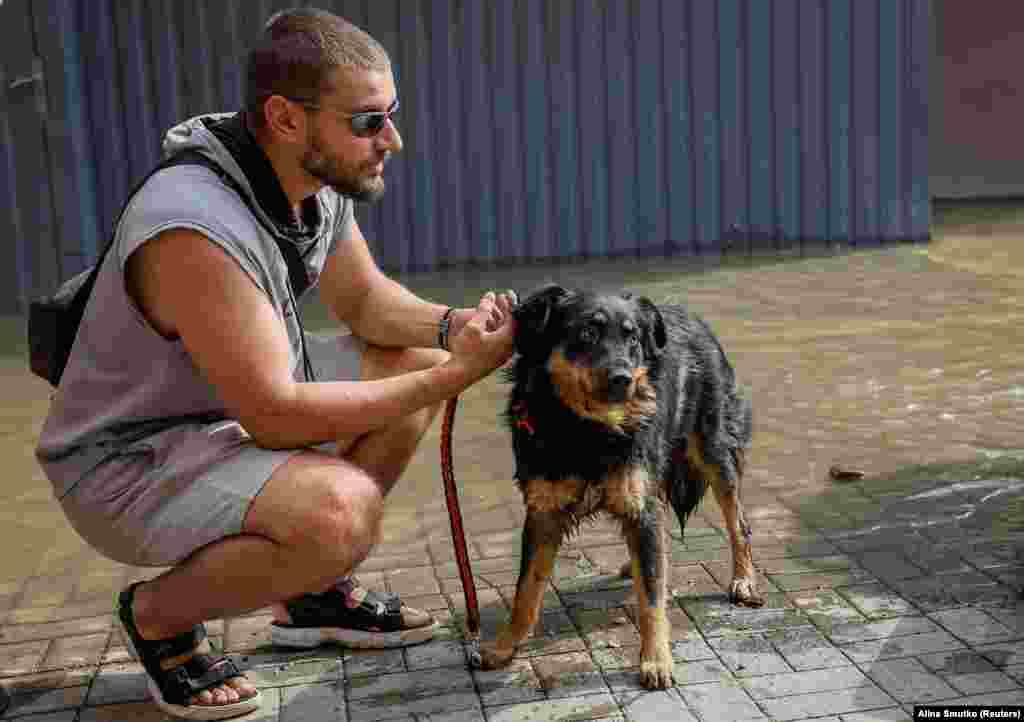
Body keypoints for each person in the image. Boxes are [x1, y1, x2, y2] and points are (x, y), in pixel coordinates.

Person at [35, 8, 516, 720]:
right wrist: (455, 375)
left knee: (408, 357)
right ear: (287, 118)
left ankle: (312, 594)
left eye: (392, 114)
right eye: (368, 121)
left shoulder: (308, 179)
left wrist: (454, 330)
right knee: (340, 513)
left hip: (222, 418)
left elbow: (364, 302)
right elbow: (275, 415)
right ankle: (159, 618)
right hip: (126, 462)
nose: (393, 140)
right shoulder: (195, 228)